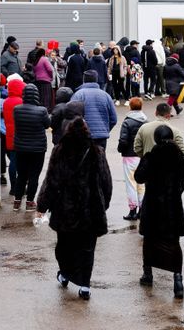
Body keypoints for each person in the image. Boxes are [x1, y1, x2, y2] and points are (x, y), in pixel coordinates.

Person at [36, 117, 112, 301]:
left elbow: (51, 181)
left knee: (64, 245)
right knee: (87, 249)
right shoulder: (97, 151)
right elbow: (106, 181)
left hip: (65, 209)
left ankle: (64, 274)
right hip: (90, 209)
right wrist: (104, 203)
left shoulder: (59, 151)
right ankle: (85, 285)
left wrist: (42, 205)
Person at [135, 125, 184, 299]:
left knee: (149, 240)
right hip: (173, 206)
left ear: (156, 139)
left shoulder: (151, 156)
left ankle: (148, 274)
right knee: (173, 243)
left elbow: (139, 177)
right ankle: (178, 279)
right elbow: (182, 182)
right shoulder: (180, 157)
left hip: (153, 206)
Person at [13, 84, 51, 211]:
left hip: (20, 148)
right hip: (38, 149)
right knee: (34, 176)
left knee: (21, 175)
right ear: (36, 95)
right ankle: (30, 202)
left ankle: (17, 202)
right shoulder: (42, 111)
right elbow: (47, 125)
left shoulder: (16, 109)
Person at [118, 97, 148, 221]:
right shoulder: (146, 121)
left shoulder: (127, 122)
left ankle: (132, 210)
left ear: (130, 106)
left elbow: (123, 140)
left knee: (131, 184)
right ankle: (142, 209)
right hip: (142, 156)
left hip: (129, 156)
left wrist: (120, 149)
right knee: (141, 184)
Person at [71, 70, 117, 149]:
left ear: (84, 80)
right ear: (96, 80)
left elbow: (71, 115)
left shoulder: (78, 95)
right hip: (101, 137)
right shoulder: (106, 95)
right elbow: (114, 119)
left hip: (83, 136)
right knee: (100, 160)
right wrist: (105, 129)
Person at [3, 78, 26, 196]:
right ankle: (21, 187)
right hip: (21, 135)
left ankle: (13, 187)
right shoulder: (21, 101)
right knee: (22, 164)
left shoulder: (6, 102)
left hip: (9, 135)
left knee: (13, 161)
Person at [33, 48, 54, 113]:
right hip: (46, 82)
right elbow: (50, 69)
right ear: (43, 53)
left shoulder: (36, 60)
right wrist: (51, 76)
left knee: (40, 98)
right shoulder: (44, 59)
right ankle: (46, 113)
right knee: (46, 99)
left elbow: (34, 70)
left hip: (38, 81)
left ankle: (39, 112)